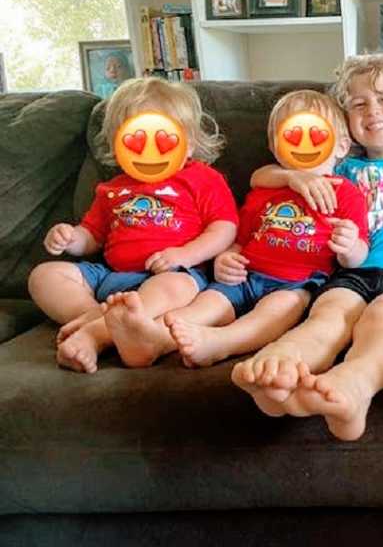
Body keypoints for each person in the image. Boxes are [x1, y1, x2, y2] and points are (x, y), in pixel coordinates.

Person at [231, 55, 383, 441]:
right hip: (350, 274)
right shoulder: (339, 167)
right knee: (327, 315)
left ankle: (356, 385)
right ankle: (281, 369)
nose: (373, 110)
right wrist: (293, 177)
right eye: (359, 104)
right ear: (345, 127)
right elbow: (261, 177)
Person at [28, 78, 239, 374]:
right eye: (136, 141)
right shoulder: (112, 189)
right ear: (118, 145)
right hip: (111, 278)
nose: (150, 151)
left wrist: (185, 255)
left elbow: (225, 227)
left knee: (176, 286)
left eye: (164, 139)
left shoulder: (202, 179)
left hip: (172, 274)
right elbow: (92, 236)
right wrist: (69, 238)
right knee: (44, 275)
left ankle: (96, 335)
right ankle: (95, 317)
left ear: (189, 143)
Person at [162, 90, 369, 368]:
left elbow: (357, 257)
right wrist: (226, 258)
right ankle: (156, 337)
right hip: (246, 275)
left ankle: (221, 343)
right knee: (209, 301)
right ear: (274, 148)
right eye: (292, 137)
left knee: (279, 309)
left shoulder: (345, 193)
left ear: (341, 147)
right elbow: (242, 236)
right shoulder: (266, 190)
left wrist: (350, 246)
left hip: (295, 284)